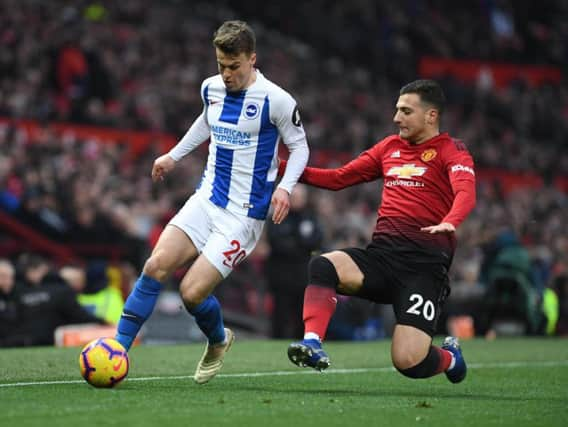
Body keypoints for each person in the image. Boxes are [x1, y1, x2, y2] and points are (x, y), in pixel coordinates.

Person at [114, 20, 309, 384]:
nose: (226, 73)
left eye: (234, 66)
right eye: (221, 64)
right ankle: (116, 351)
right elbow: (206, 121)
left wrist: (285, 187)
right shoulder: (211, 88)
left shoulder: (277, 100)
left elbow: (299, 147)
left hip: (242, 217)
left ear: (252, 59)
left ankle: (218, 340)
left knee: (191, 293)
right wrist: (173, 156)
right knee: (155, 265)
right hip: (207, 199)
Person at [282, 80, 476, 384]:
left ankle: (450, 357)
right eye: (397, 110)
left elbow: (465, 190)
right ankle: (312, 343)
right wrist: (284, 169)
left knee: (408, 362)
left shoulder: (451, 151)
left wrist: (452, 219)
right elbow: (337, 178)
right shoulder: (389, 147)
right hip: (382, 259)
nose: (396, 118)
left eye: (406, 111)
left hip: (423, 270)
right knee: (323, 264)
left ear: (431, 116)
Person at [266, 183, 323, 338]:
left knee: (301, 315)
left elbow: (317, 241)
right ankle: (276, 345)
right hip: (281, 277)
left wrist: (295, 243)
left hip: (303, 276)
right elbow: (277, 243)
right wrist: (301, 245)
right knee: (280, 315)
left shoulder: (311, 218)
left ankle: (302, 344)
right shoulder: (278, 216)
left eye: (301, 197)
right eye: (295, 197)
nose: (298, 200)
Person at [13, 254, 106, 346]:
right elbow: (78, 315)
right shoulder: (61, 290)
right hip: (52, 342)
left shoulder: (18, 292)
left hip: (21, 342)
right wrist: (102, 322)